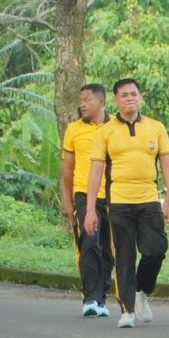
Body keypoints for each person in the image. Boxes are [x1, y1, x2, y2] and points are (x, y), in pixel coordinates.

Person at [84, 78, 169, 328]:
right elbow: (95, 172)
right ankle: (126, 310)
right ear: (115, 100)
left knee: (156, 249)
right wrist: (90, 210)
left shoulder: (156, 128)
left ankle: (141, 290)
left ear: (140, 97)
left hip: (149, 199)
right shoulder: (105, 131)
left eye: (134, 94)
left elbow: (168, 165)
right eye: (124, 95)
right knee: (124, 257)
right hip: (119, 202)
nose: (130, 98)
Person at [60, 83, 115, 317]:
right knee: (89, 244)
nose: (82, 104)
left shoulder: (116, 127)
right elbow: (67, 168)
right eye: (80, 100)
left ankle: (101, 296)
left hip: (113, 195)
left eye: (87, 100)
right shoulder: (73, 129)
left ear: (101, 101)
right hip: (83, 194)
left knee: (109, 249)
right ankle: (90, 298)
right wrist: (67, 199)